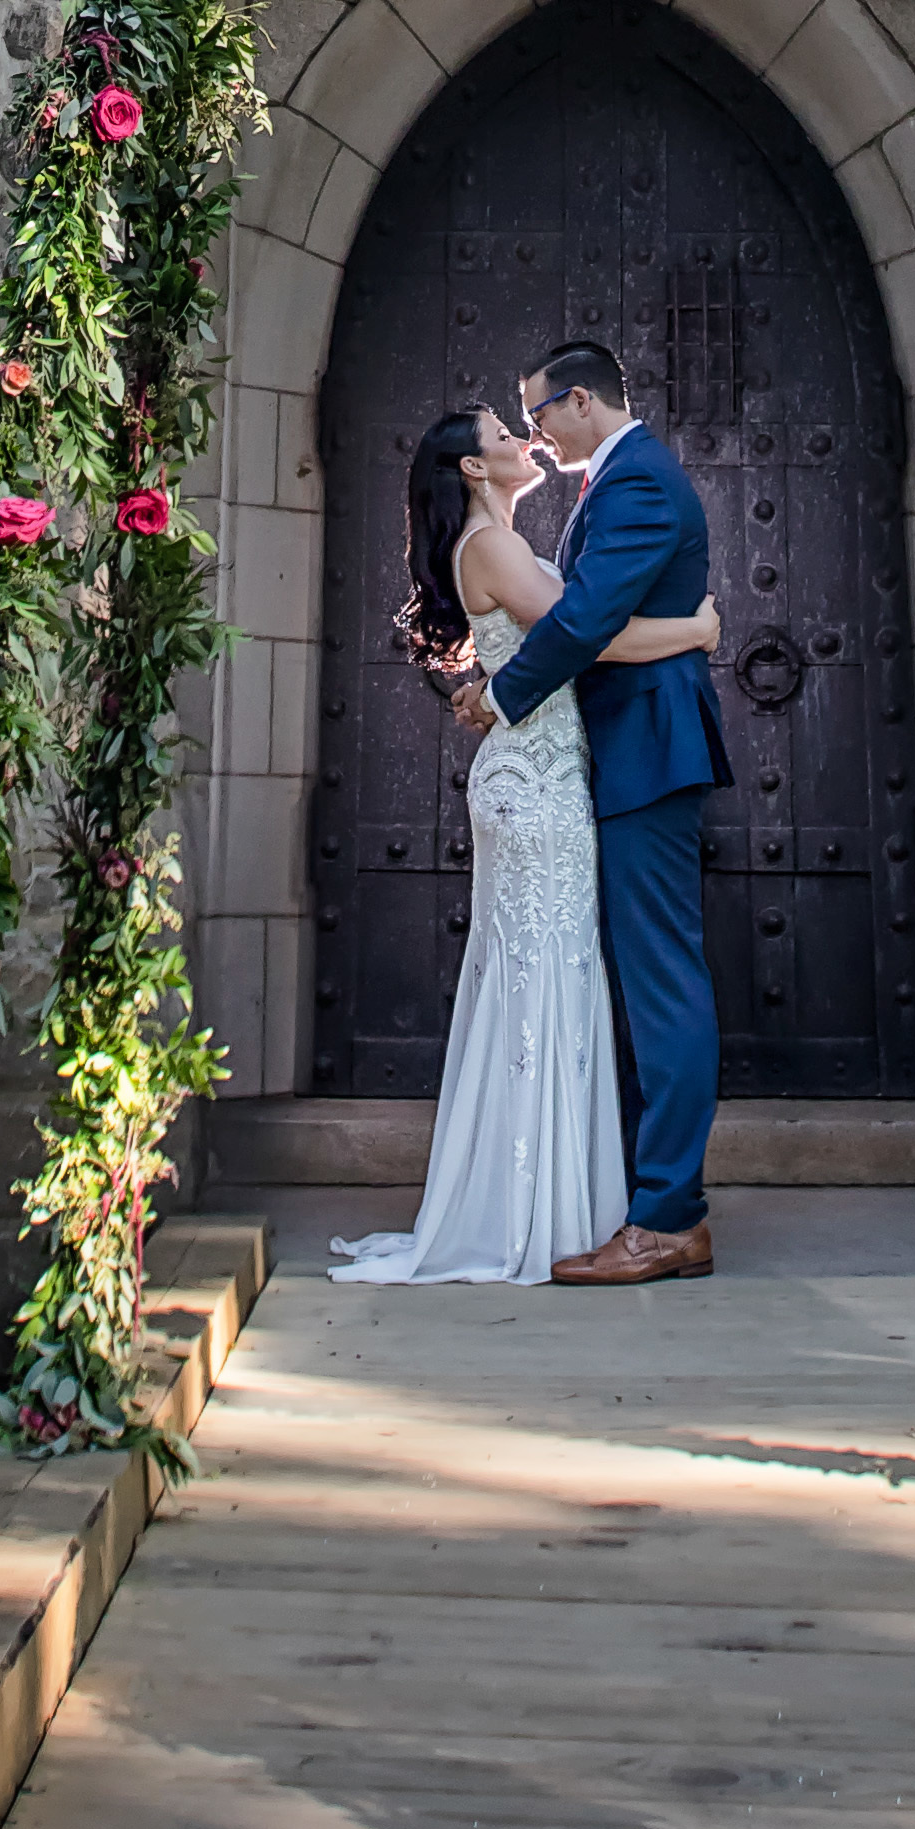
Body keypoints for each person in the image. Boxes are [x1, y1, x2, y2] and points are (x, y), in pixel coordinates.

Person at [329, 398, 722, 1287]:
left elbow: (551, 640)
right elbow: (586, 637)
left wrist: (497, 688)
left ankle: (552, 1198)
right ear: (473, 468)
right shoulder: (495, 546)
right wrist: (697, 631)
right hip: (533, 789)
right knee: (544, 975)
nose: (523, 439)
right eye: (505, 435)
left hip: (542, 776)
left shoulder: (498, 541)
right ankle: (531, 1208)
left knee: (550, 974)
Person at [486, 334, 732, 1288]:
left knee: (662, 979)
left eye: (539, 412)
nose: (534, 435)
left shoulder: (634, 485)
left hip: (649, 757)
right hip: (630, 752)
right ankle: (654, 1203)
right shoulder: (617, 479)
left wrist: (504, 695)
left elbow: (585, 618)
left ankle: (669, 1220)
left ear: (581, 401)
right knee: (648, 975)